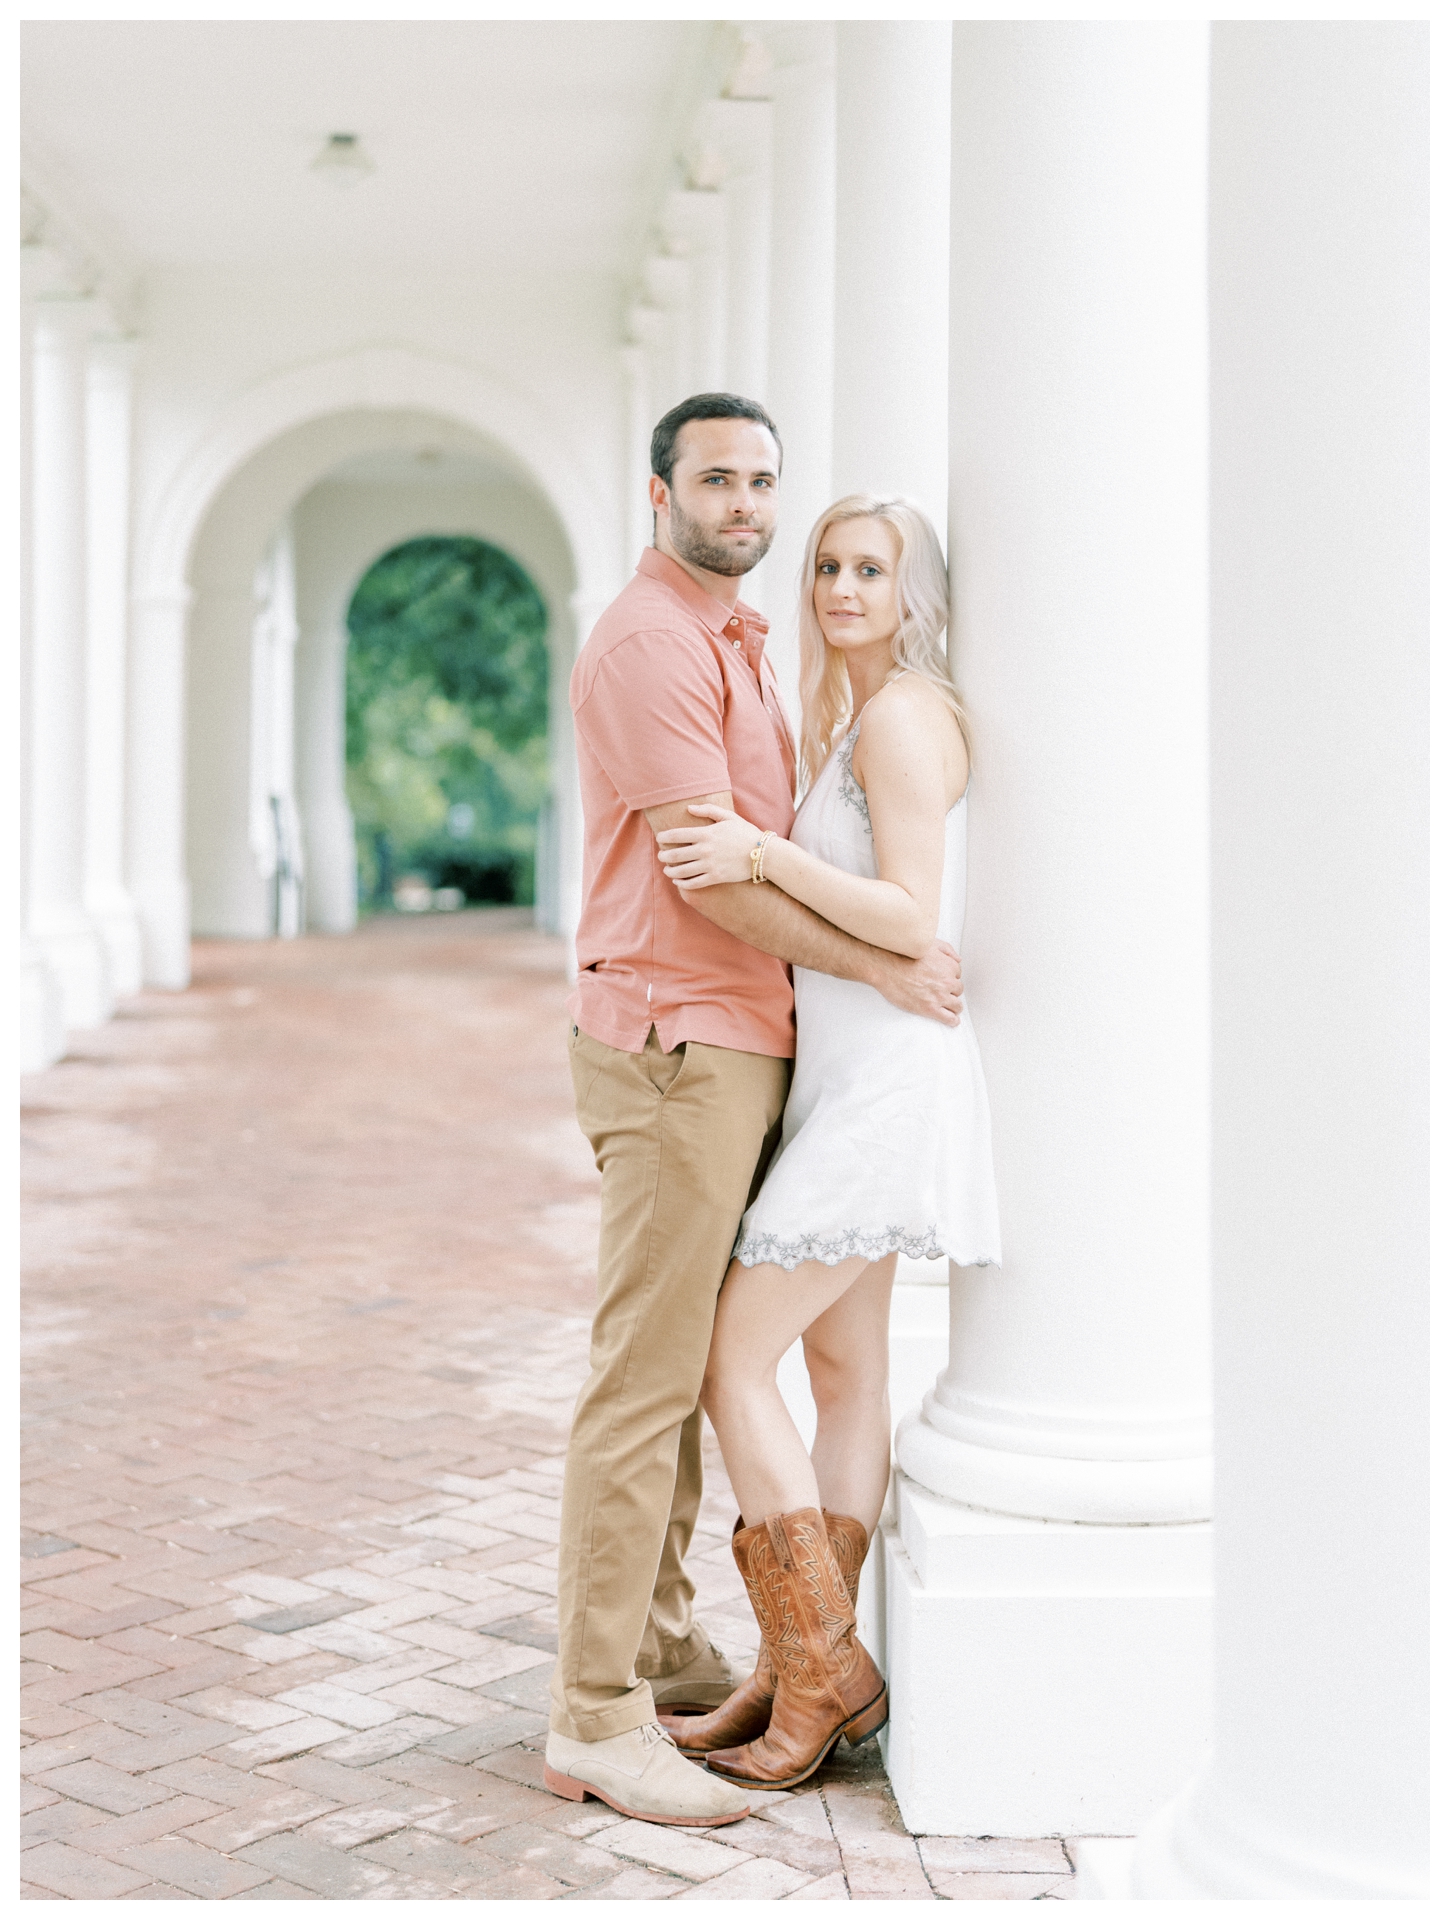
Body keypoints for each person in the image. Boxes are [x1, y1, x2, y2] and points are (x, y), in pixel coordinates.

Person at [543, 402, 966, 1829]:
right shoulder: (661, 643)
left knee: (755, 1368)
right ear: (656, 487)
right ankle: (603, 1711)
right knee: (660, 1374)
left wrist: (866, 954)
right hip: (684, 1041)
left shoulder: (766, 660)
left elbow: (792, 865)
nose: (744, 502)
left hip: (775, 1056)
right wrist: (888, 963)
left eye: (760, 480)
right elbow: (713, 878)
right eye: (716, 477)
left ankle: (738, 1665)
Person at [653, 494, 1001, 1790]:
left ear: (911, 595)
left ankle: (819, 1669)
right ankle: (803, 1666)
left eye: (870, 569)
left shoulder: (903, 716)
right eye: (826, 567)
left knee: (728, 1358)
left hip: (884, 1090)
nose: (840, 588)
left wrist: (758, 850)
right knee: (843, 1376)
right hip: (846, 1075)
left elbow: (913, 919)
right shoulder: (843, 719)